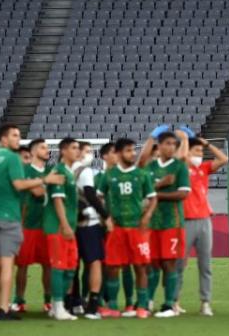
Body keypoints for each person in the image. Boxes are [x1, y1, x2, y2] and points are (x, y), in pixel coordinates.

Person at [0, 122, 63, 321]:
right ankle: (4, 308)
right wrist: (45, 180)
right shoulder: (12, 158)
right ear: (4, 139)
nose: (17, 139)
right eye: (14, 135)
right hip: (9, 217)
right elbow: (19, 184)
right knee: (7, 264)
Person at [99, 137, 157, 319]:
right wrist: (106, 217)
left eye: (133, 150)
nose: (133, 154)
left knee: (140, 266)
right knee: (113, 267)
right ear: (118, 153)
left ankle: (141, 306)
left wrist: (147, 215)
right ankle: (114, 306)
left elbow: (153, 198)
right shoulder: (108, 175)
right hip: (116, 229)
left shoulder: (142, 175)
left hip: (136, 229)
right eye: (128, 151)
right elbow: (99, 197)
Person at [140, 130, 190, 318]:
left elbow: (183, 194)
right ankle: (148, 302)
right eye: (167, 143)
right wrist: (159, 186)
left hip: (172, 223)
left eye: (173, 144)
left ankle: (169, 305)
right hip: (152, 223)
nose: (171, 147)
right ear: (159, 146)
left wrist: (156, 194)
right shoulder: (150, 168)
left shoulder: (179, 167)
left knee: (169, 263)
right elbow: (143, 192)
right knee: (151, 264)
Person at [177, 133, 227, 317]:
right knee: (179, 264)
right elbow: (180, 158)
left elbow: (223, 159)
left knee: (205, 265)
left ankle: (205, 303)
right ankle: (174, 301)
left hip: (205, 221)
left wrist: (207, 144)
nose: (200, 154)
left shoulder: (204, 168)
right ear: (187, 152)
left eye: (201, 151)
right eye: (196, 151)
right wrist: (183, 142)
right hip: (186, 222)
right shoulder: (181, 169)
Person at [12, 138, 53, 313]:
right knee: (22, 264)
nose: (47, 151)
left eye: (48, 148)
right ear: (34, 151)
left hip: (48, 225)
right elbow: (38, 192)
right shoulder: (25, 170)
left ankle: (48, 301)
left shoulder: (52, 170)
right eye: (43, 148)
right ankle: (19, 300)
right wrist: (49, 187)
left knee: (49, 265)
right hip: (27, 224)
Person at [45, 138, 83, 321]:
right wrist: (65, 224)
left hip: (69, 227)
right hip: (59, 227)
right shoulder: (59, 171)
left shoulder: (68, 172)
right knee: (59, 267)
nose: (78, 151)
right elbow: (57, 200)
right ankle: (59, 306)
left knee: (70, 267)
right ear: (63, 151)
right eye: (74, 148)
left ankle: (55, 305)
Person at [74, 141, 112, 318]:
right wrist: (105, 215)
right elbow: (90, 194)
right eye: (87, 151)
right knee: (95, 261)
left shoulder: (63, 170)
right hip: (89, 223)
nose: (90, 155)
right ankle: (93, 304)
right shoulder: (86, 171)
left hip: (71, 222)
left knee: (72, 265)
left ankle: (73, 302)